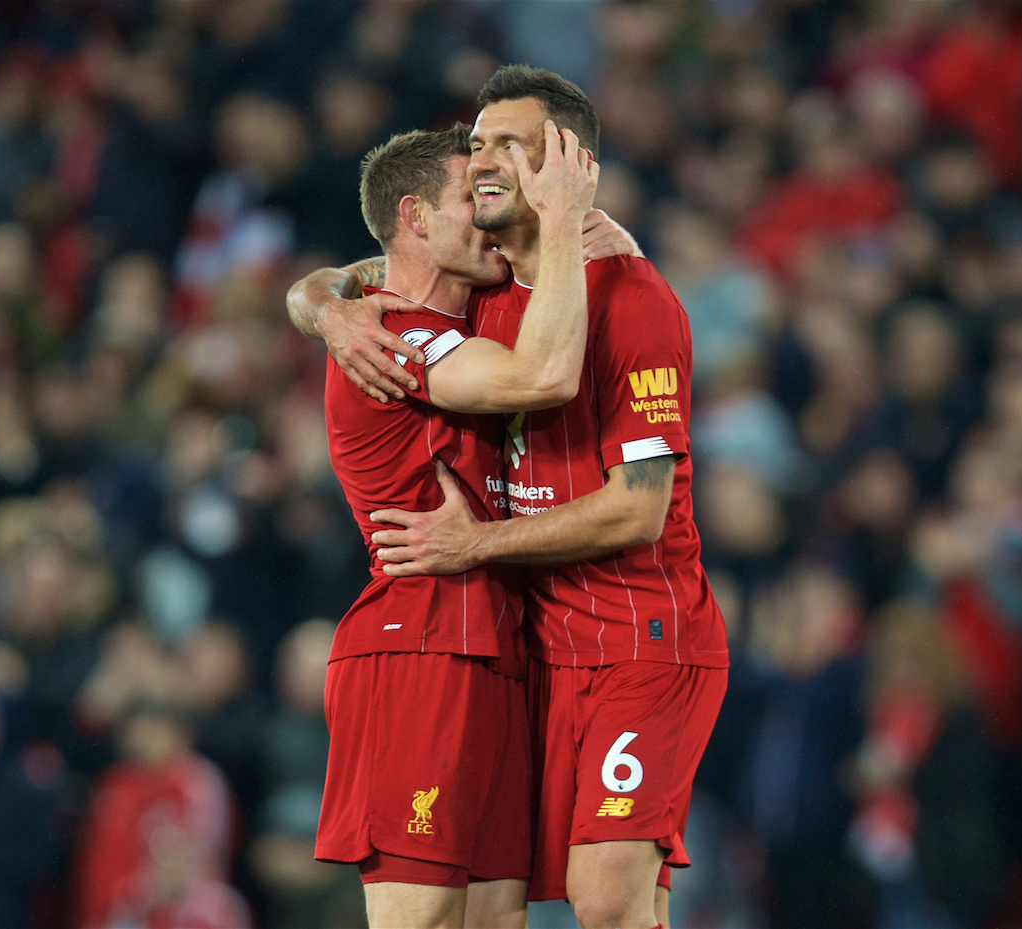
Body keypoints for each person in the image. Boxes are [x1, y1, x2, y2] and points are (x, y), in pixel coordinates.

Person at [288, 66, 729, 929]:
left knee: (600, 902)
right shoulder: (434, 316)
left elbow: (640, 507)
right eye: (475, 150)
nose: (482, 159)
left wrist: (477, 547)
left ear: (566, 163)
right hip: (464, 643)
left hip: (629, 633)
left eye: (503, 146)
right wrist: (323, 306)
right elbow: (378, 273)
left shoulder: (617, 299)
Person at [309, 119, 599, 929]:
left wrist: (314, 296)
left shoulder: (450, 325)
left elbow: (335, 277)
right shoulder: (386, 335)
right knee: (424, 919)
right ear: (416, 217)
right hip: (419, 645)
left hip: (498, 650)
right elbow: (544, 375)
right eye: (472, 200)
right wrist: (568, 217)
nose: (493, 219)